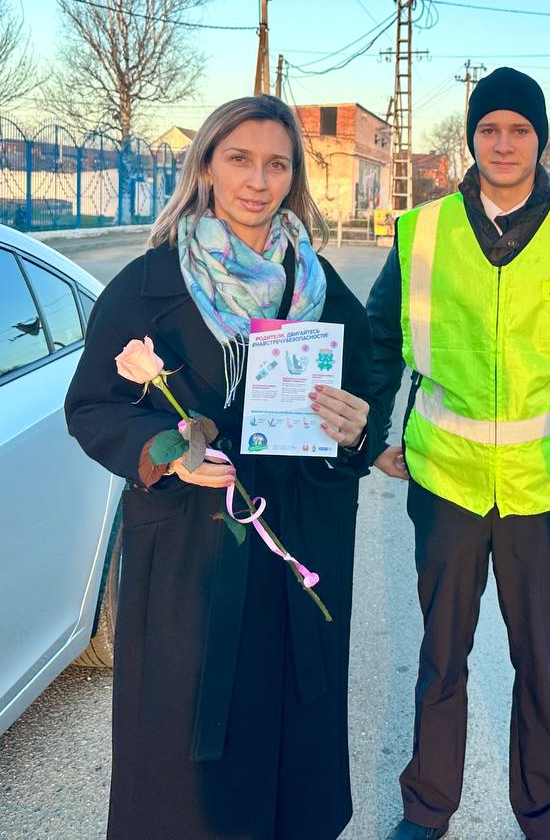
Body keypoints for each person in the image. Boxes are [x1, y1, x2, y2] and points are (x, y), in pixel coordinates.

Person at [64, 95, 373, 840]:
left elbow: (365, 412)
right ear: (206, 165)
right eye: (239, 159)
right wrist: (166, 452)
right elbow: (93, 408)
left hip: (294, 550)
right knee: (183, 774)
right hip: (188, 564)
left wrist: (355, 432)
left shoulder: (325, 292)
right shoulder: (148, 285)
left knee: (287, 759)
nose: (257, 181)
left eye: (277, 163)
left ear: (295, 175)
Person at [366, 67, 550, 840]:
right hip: (448, 484)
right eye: (489, 129)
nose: (503, 143)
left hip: (544, 487)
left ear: (540, 139)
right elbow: (375, 343)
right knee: (441, 659)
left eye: (519, 130)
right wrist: (371, 440)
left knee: (541, 663)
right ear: (471, 139)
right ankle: (426, 813)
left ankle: (546, 816)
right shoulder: (422, 232)